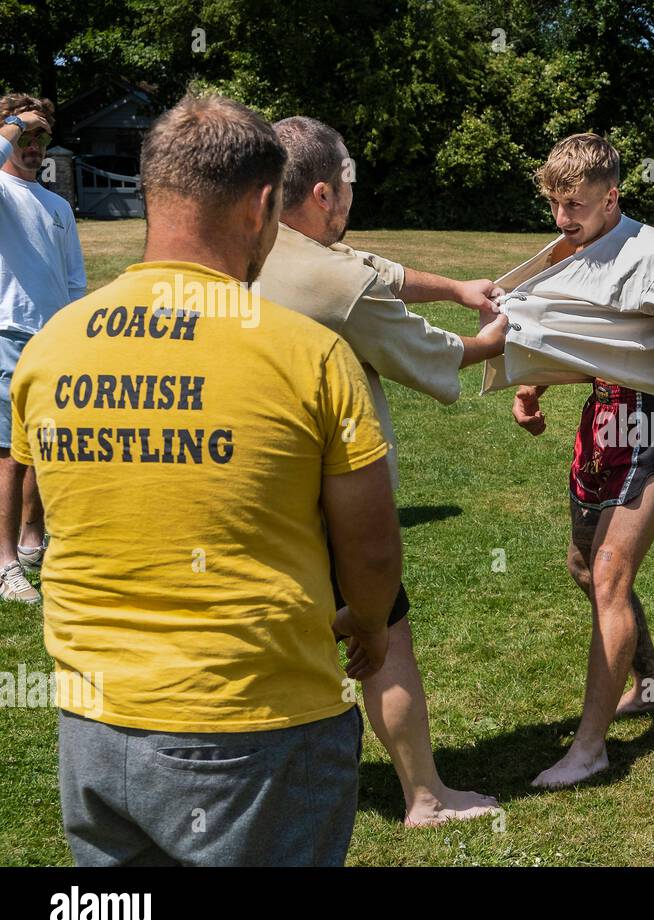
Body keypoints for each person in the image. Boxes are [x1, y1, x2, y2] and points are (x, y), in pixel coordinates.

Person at [10, 93, 401, 865]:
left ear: (153, 194)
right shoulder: (307, 354)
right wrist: (369, 621)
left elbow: (73, 511)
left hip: (94, 726)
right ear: (262, 206)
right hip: (258, 723)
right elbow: (374, 551)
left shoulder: (51, 348)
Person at [256, 115, 505, 826]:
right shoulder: (337, 285)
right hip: (330, 493)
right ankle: (426, 796)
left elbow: (379, 272)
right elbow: (432, 357)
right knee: (383, 635)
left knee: (271, 635)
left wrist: (457, 285)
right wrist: (491, 339)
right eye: (351, 186)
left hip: (245, 490)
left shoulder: (249, 244)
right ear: (326, 193)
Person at [493, 133, 654, 788]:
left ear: (612, 195)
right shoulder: (578, 251)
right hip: (602, 427)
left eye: (575, 206)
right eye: (555, 206)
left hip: (653, 428)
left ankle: (589, 750)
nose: (563, 221)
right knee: (585, 569)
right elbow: (588, 341)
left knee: (611, 576)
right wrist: (532, 383)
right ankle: (649, 680)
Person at [0, 92, 86, 602]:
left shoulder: (57, 205)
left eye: (42, 137)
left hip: (56, 341)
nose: (34, 146)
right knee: (9, 454)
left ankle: (33, 545)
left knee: (44, 449)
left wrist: (77, 333)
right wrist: (12, 123)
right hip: (7, 334)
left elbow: (75, 281)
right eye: (25, 137)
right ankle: (5, 563)